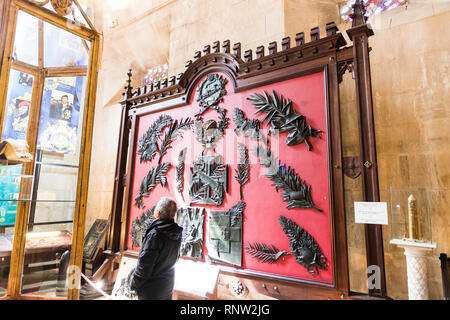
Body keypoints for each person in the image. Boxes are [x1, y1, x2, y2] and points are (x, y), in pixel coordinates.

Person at [130, 197, 183, 300]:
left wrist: (134, 284)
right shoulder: (176, 233)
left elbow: (144, 267)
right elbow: (175, 258)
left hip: (151, 290)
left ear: (157, 213)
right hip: (167, 286)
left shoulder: (155, 235)